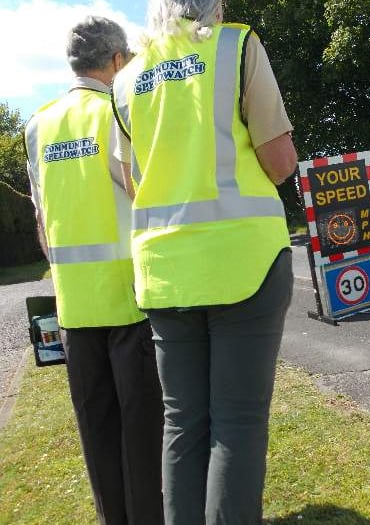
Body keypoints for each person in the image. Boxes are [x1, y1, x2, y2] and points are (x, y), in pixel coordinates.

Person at [111, 0, 298, 523]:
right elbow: (280, 163)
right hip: (245, 261)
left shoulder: (125, 82)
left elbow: (133, 183)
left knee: (182, 423)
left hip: (166, 270)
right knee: (236, 422)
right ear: (214, 4)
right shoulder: (236, 46)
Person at [24, 16, 164, 525]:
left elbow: (43, 220)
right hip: (129, 298)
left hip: (74, 305)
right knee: (142, 430)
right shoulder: (116, 110)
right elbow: (144, 192)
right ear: (117, 61)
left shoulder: (37, 124)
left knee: (96, 427)